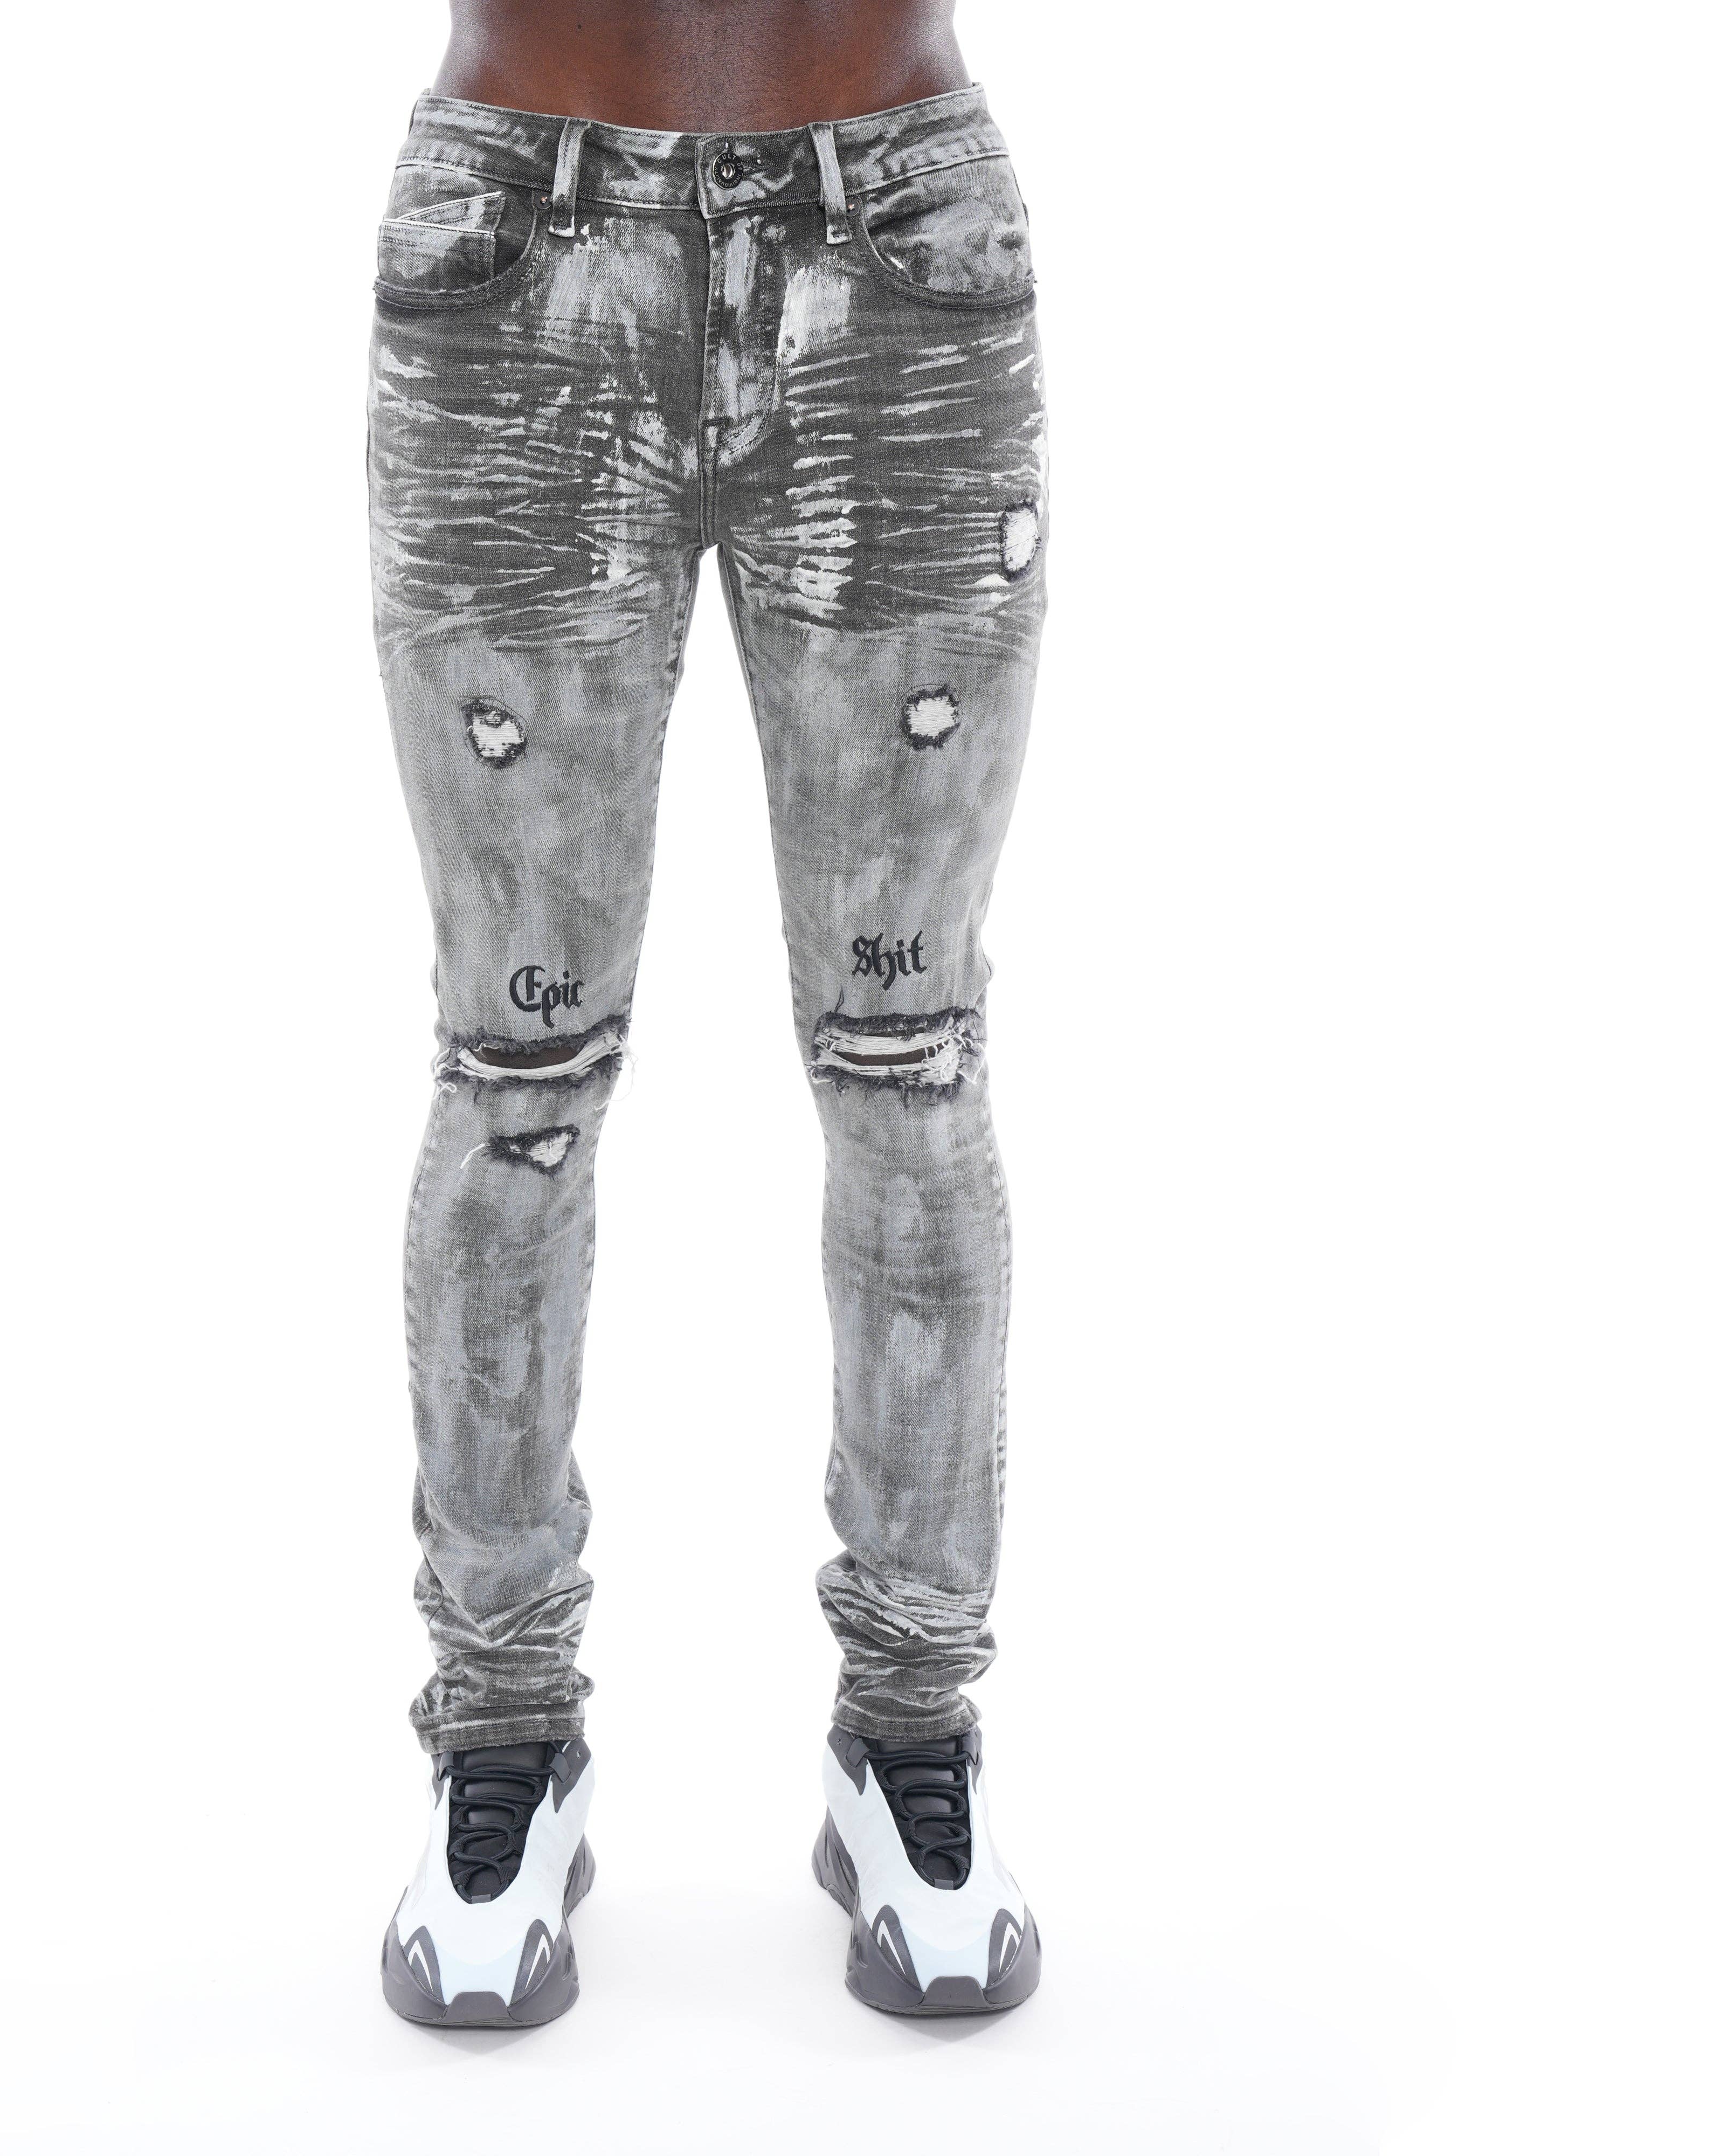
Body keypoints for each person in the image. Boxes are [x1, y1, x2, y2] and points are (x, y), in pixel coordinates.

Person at [369, 0, 1046, 2023]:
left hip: (897, 243)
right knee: (516, 1069)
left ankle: (908, 1743)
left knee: (908, 1063)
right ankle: (504, 1748)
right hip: (518, 247)